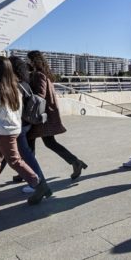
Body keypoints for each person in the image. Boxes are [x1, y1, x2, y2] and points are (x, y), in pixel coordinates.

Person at [0, 56, 50, 206]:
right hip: (10, 129)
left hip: (5, 132)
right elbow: (17, 111)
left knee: (14, 161)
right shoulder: (14, 86)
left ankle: (39, 185)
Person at [26, 50, 88, 180]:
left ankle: (29, 173)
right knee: (45, 143)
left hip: (40, 116)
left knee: (32, 144)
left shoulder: (38, 75)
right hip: (45, 115)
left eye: (28, 60)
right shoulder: (43, 74)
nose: (27, 62)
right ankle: (75, 162)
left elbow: (40, 95)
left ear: (33, 61)